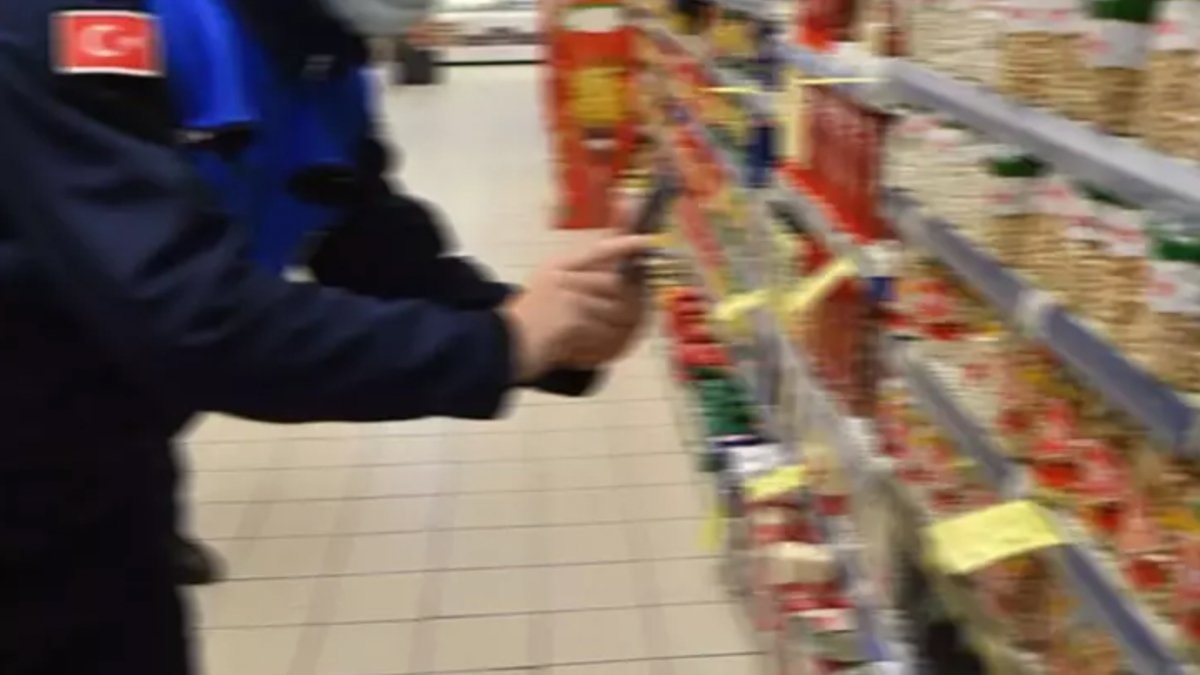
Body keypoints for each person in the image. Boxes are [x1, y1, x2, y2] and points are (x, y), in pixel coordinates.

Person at [0, 1, 650, 673]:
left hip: (106, 455)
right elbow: (196, 320)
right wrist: (503, 343)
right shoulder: (68, 24)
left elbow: (365, 239)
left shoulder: (314, 49)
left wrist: (554, 329)